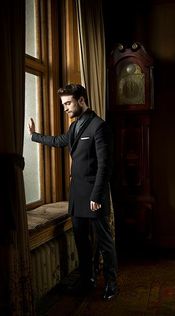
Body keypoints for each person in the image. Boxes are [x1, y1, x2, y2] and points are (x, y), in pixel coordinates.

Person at [28, 83, 118, 300]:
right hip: (77, 196)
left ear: (81, 100)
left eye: (68, 103)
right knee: (82, 243)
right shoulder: (75, 126)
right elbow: (59, 141)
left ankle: (111, 284)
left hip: (94, 196)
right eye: (63, 104)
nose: (65, 108)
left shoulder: (99, 126)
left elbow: (105, 166)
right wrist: (34, 136)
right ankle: (87, 280)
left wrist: (97, 196)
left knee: (104, 243)